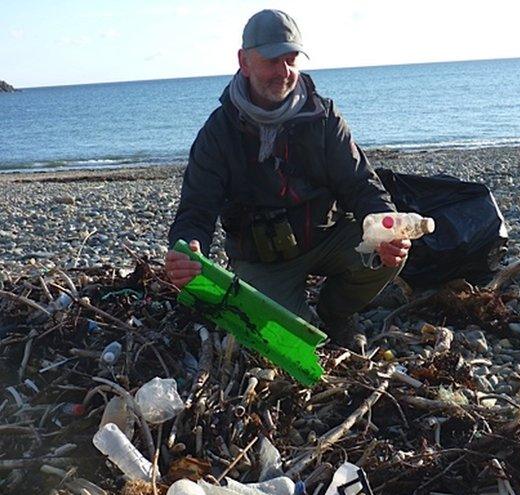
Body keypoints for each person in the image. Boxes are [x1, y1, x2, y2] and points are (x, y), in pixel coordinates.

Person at [166, 9, 410, 351]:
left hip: (326, 238)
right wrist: (187, 248)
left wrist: (386, 229)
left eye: (291, 60)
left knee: (390, 253)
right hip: (261, 258)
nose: (284, 72)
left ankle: (337, 313)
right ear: (244, 61)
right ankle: (300, 316)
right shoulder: (218, 132)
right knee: (290, 344)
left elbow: (360, 184)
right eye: (271, 60)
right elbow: (196, 208)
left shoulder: (324, 117)